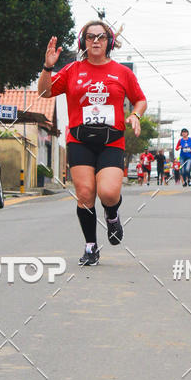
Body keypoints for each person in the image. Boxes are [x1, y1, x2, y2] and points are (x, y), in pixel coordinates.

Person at [38, 21, 147, 267]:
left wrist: (135, 115)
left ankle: (112, 214)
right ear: (83, 42)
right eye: (90, 37)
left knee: (108, 193)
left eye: (100, 37)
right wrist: (48, 67)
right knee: (85, 194)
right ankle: (90, 246)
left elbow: (140, 100)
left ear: (108, 41)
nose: (95, 41)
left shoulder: (122, 73)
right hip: (79, 140)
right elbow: (45, 93)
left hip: (112, 140)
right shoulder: (73, 70)